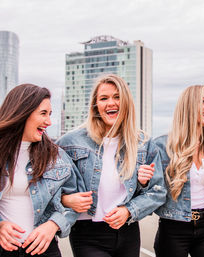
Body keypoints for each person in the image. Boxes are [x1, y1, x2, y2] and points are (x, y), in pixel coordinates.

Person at [56, 74, 166, 257]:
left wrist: (129, 210)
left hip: (128, 231)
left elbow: (158, 191)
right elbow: (49, 188)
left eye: (117, 97)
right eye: (104, 98)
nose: (111, 103)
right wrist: (66, 200)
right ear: (95, 105)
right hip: (87, 234)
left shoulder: (143, 143)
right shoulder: (70, 142)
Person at [138, 85, 204, 257]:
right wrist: (143, 181)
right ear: (188, 106)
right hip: (173, 228)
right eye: (203, 102)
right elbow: (148, 190)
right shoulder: (161, 146)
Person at [0, 84, 81, 257]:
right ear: (22, 112)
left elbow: (78, 203)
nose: (48, 122)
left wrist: (53, 224)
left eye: (50, 114)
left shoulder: (56, 156)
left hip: (44, 250)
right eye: (43, 114)